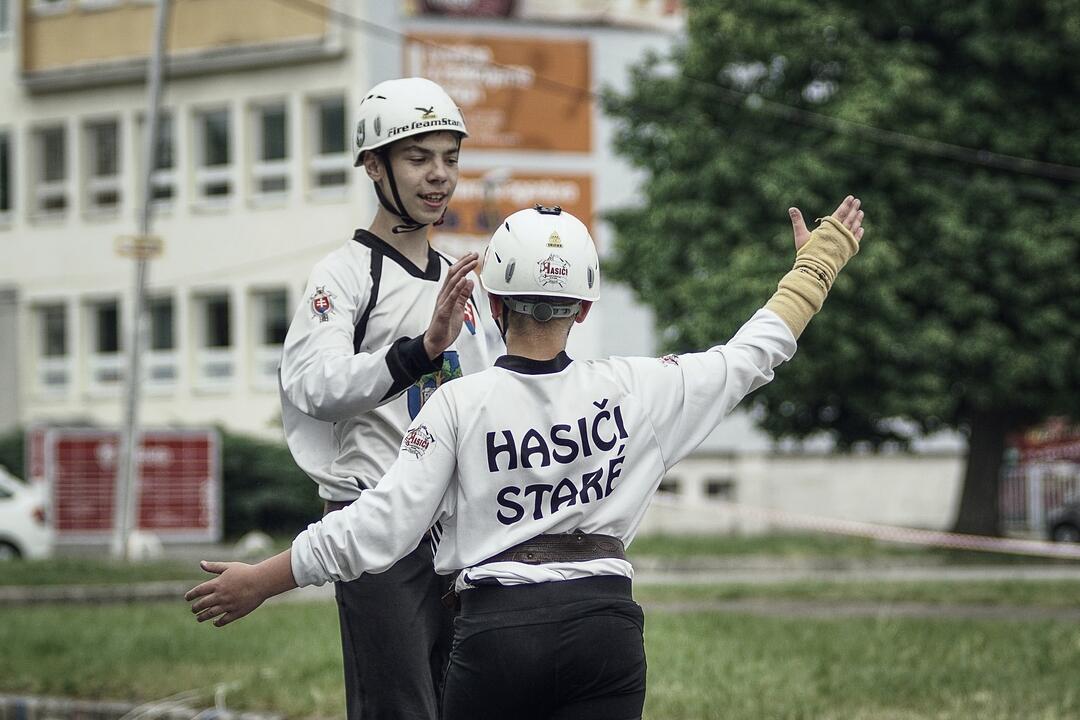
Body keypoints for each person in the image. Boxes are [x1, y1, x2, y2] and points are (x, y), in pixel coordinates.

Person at [189, 197, 865, 719]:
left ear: (494, 302)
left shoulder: (456, 405)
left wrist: (264, 579)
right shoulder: (638, 388)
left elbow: (378, 525)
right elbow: (752, 355)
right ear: (584, 306)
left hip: (498, 637)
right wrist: (817, 265)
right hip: (607, 632)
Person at [276, 77, 497, 720]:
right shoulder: (344, 273)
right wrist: (418, 351)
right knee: (400, 708)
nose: (439, 175)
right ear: (374, 166)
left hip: (460, 530)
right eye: (418, 158)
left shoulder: (462, 278)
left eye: (450, 158)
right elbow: (314, 385)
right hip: (375, 525)